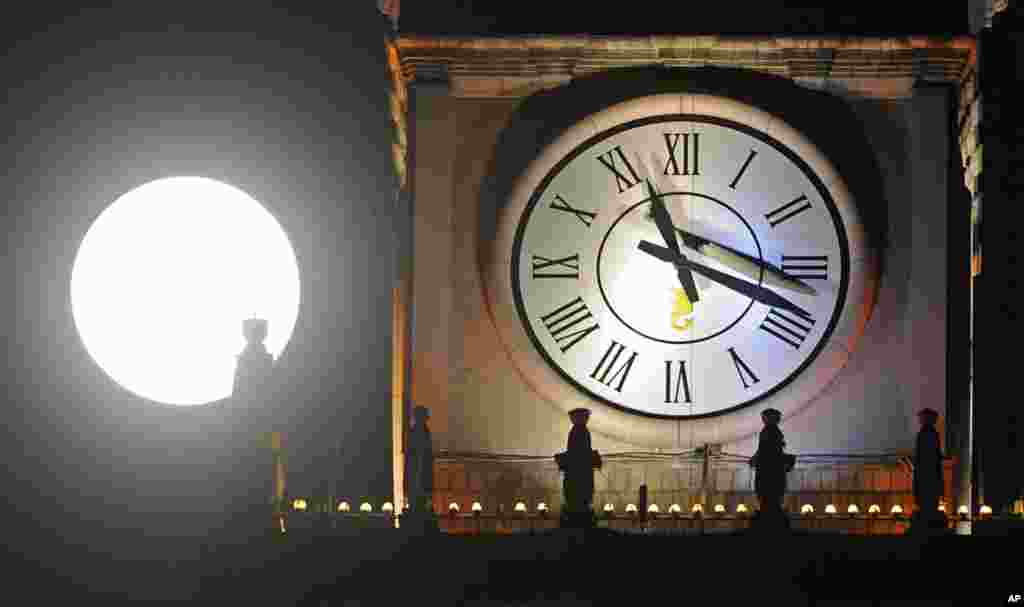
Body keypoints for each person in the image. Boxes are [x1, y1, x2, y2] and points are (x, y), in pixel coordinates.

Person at [556, 408, 601, 527]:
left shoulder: (578, 430)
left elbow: (576, 452)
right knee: (580, 499)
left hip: (576, 477)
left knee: (576, 500)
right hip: (581, 476)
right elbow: (580, 452)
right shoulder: (582, 430)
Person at [749, 408, 791, 530]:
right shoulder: (775, 431)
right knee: (772, 496)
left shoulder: (768, 431)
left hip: (767, 470)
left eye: (765, 417)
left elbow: (764, 449)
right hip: (773, 470)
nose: (763, 419)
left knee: (766, 495)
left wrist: (755, 458)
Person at [912, 407, 945, 533]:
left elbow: (928, 455)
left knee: (927, 500)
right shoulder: (930, 433)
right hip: (929, 474)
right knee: (928, 500)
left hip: (927, 475)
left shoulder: (928, 433)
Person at [406, 406, 435, 517]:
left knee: (422, 494)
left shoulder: (426, 432)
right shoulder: (413, 432)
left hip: (423, 470)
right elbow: (410, 452)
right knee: (415, 495)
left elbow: (428, 452)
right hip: (414, 469)